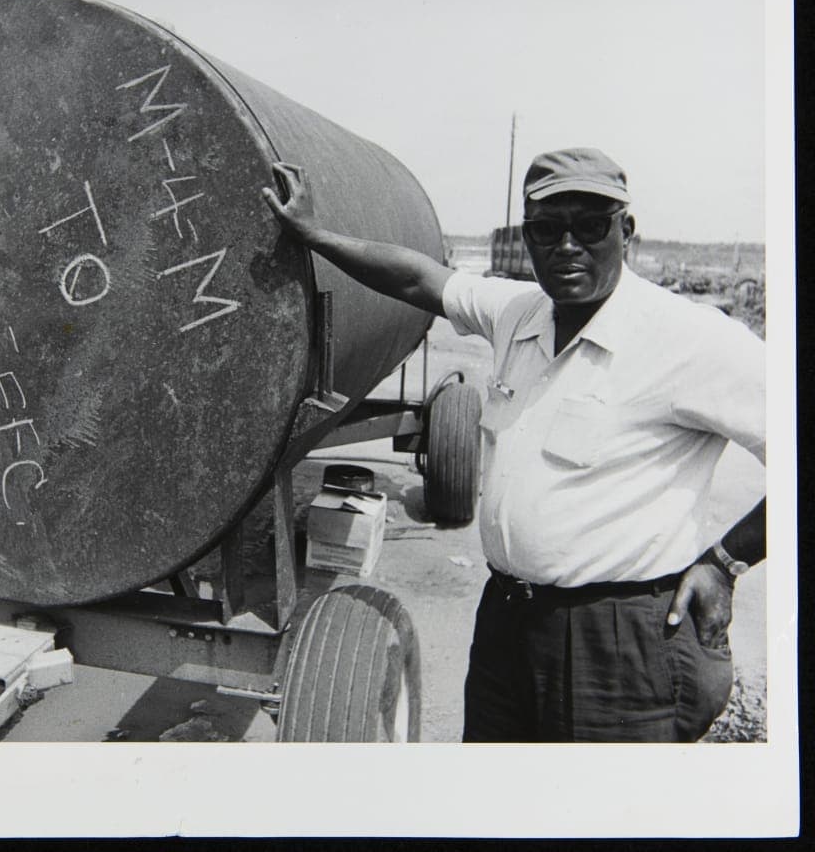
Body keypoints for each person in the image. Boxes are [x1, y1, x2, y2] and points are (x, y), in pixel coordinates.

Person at [262, 147, 766, 742]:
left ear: (626, 231)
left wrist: (725, 561)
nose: (568, 245)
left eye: (591, 226)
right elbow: (417, 277)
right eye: (548, 229)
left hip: (619, 643)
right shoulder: (519, 313)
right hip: (508, 620)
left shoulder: (689, 339)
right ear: (528, 237)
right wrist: (314, 234)